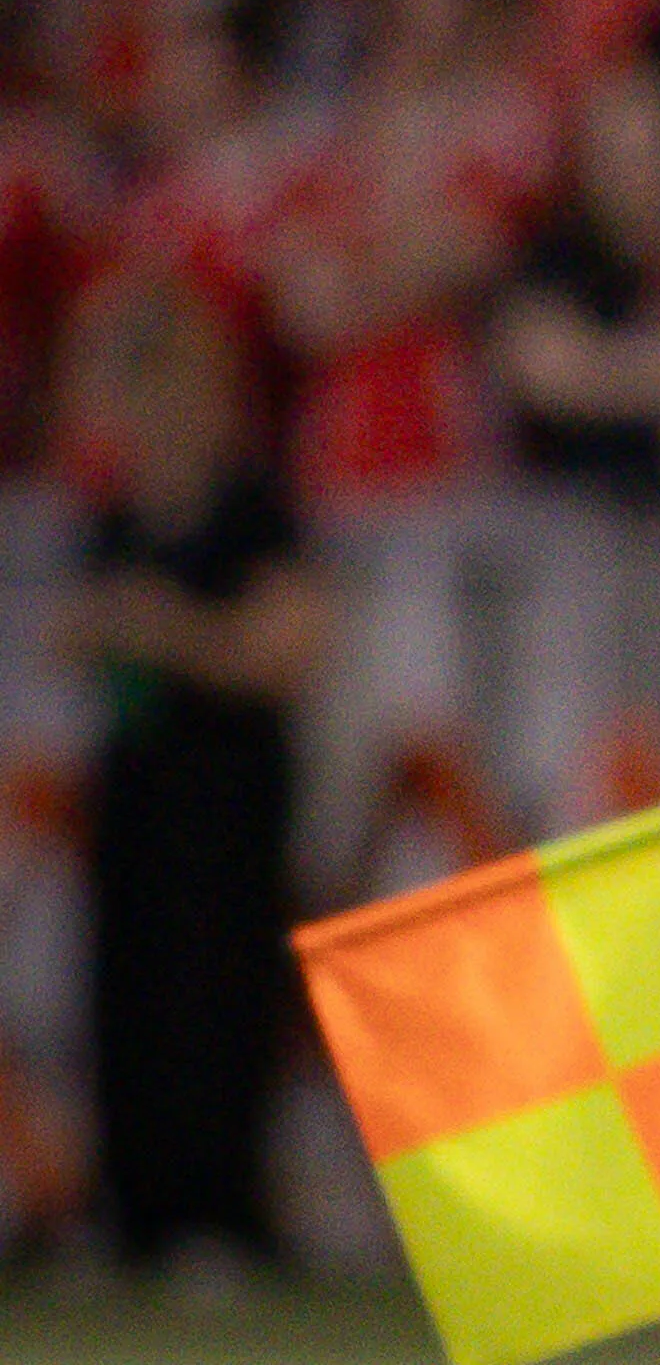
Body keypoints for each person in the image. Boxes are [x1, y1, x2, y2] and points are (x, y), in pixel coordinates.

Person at [56, 275, 331, 1276]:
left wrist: (168, 631)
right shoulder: (119, 510)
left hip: (228, 785)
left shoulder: (253, 504)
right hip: (136, 779)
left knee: (218, 999)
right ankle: (128, 1210)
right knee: (122, 994)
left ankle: (221, 1211)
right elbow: (70, 629)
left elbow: (286, 644)